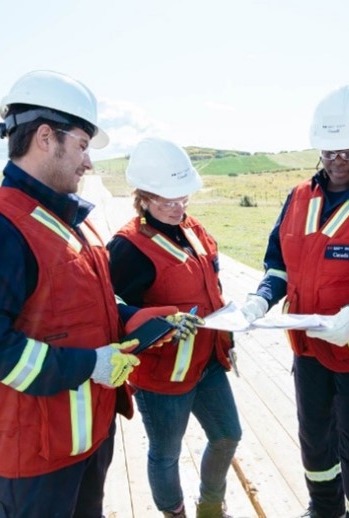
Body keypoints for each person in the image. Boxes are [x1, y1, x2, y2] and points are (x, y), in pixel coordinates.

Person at [0, 70, 193, 516]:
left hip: (85, 440)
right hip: (32, 458)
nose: (88, 162)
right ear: (45, 137)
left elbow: (91, 308)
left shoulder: (67, 221)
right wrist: (89, 365)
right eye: (81, 145)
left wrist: (144, 321)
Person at [240, 86, 349, 518]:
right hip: (309, 351)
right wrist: (260, 299)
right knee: (315, 438)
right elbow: (278, 264)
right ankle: (323, 510)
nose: (337, 162)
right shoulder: (299, 198)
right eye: (329, 152)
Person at [106, 137, 241, 518]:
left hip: (208, 362)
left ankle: (211, 506)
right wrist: (157, 322)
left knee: (228, 434)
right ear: (143, 197)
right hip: (163, 374)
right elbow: (109, 308)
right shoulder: (128, 247)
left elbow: (209, 282)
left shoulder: (192, 227)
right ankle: (174, 513)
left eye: (184, 197)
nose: (178, 207)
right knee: (166, 453)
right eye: (167, 200)